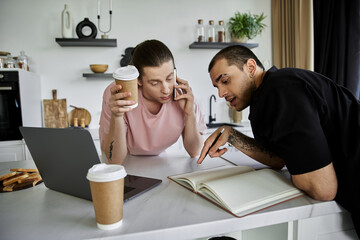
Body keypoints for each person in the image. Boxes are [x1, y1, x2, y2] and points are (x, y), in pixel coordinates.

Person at [197, 45, 360, 236]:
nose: (221, 93)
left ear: (250, 67)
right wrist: (232, 136)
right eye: (217, 86)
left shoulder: (280, 91)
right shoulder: (264, 100)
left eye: (225, 80)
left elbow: (323, 188)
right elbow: (278, 159)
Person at [99, 39, 206, 164]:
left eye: (170, 78)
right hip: (125, 164)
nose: (166, 90)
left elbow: (195, 151)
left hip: (160, 163)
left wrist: (190, 114)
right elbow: (114, 160)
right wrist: (117, 117)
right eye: (155, 83)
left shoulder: (183, 94)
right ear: (138, 80)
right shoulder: (119, 95)